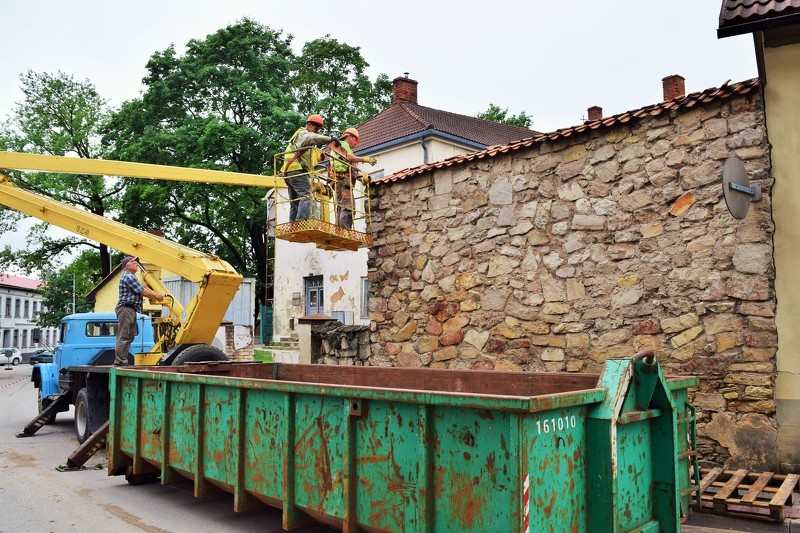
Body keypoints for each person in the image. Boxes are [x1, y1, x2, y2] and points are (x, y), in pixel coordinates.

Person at [281, 114, 338, 222]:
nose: (316, 132)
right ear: (309, 124)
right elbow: (310, 137)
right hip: (297, 170)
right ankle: (300, 223)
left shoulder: (300, 139)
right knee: (306, 196)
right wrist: (329, 139)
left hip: (289, 172)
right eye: (316, 128)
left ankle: (292, 225)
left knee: (295, 201)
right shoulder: (303, 134)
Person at [114, 256, 164, 366]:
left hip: (129, 309)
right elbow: (143, 291)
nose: (136, 264)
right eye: (134, 262)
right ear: (127, 265)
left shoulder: (130, 277)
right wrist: (157, 295)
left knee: (128, 335)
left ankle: (121, 360)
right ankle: (120, 361)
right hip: (126, 309)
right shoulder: (129, 277)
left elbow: (142, 290)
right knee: (124, 335)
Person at [329, 127, 377, 229]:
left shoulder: (342, 149)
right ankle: (345, 232)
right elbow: (348, 158)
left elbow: (352, 170)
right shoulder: (343, 145)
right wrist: (364, 159)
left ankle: (339, 231)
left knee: (341, 207)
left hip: (340, 181)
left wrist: (363, 178)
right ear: (350, 137)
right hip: (342, 181)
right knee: (348, 207)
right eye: (356, 140)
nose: (356, 143)